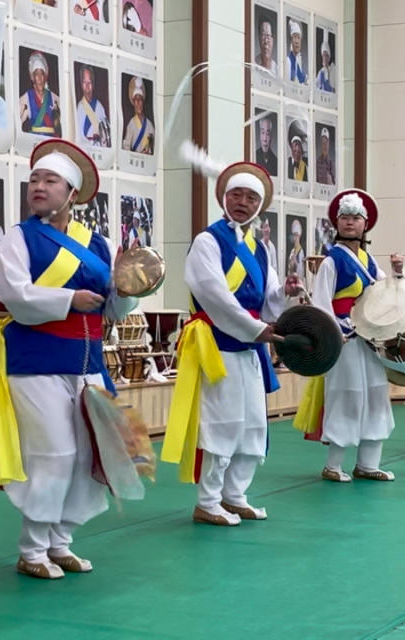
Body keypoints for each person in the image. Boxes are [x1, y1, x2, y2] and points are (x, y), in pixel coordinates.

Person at [0, 138, 138, 579]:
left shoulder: (101, 243)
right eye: (34, 179)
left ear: (72, 193)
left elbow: (112, 307)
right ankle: (32, 548)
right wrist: (71, 298)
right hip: (34, 360)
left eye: (50, 180)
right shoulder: (18, 237)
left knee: (89, 452)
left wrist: (129, 291)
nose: (38, 186)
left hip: (89, 361)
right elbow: (15, 295)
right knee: (53, 452)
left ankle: (61, 541)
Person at [162, 161, 301, 526]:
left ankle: (234, 494)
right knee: (222, 421)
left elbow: (268, 297)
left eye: (251, 197)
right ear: (224, 198)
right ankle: (208, 501)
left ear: (260, 205)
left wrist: (285, 295)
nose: (242, 202)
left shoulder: (260, 247)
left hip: (250, 343)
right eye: (236, 195)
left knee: (253, 423)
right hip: (217, 343)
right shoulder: (208, 241)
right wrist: (255, 327)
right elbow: (215, 295)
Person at [296, 189, 402, 482]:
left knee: (376, 396)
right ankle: (333, 465)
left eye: (356, 217)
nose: (350, 223)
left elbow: (386, 293)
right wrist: (335, 331)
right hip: (346, 340)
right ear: (336, 223)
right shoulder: (332, 261)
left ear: (365, 224)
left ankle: (368, 463)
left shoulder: (369, 261)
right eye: (344, 217)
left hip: (371, 340)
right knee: (347, 396)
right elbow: (321, 303)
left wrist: (397, 273)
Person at [18, 51, 62, 137]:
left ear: (45, 76)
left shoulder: (54, 97)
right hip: (34, 140)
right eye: (36, 74)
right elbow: (17, 120)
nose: (39, 78)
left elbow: (64, 119)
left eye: (42, 74)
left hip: (51, 140)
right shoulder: (26, 97)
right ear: (32, 77)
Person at [75, 66, 111, 148]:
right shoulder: (79, 107)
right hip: (83, 148)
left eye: (89, 82)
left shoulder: (99, 106)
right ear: (81, 84)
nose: (87, 86)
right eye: (84, 82)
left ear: (93, 84)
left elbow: (106, 132)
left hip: (98, 148)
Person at [122, 76, 154, 155]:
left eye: (140, 99)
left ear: (143, 101)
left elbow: (153, 148)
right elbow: (126, 148)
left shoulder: (149, 125)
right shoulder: (131, 124)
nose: (138, 102)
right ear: (133, 102)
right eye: (136, 99)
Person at [284, 19, 306, 84]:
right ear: (291, 39)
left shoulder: (298, 63)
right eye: (295, 37)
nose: (297, 41)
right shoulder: (288, 61)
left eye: (298, 38)